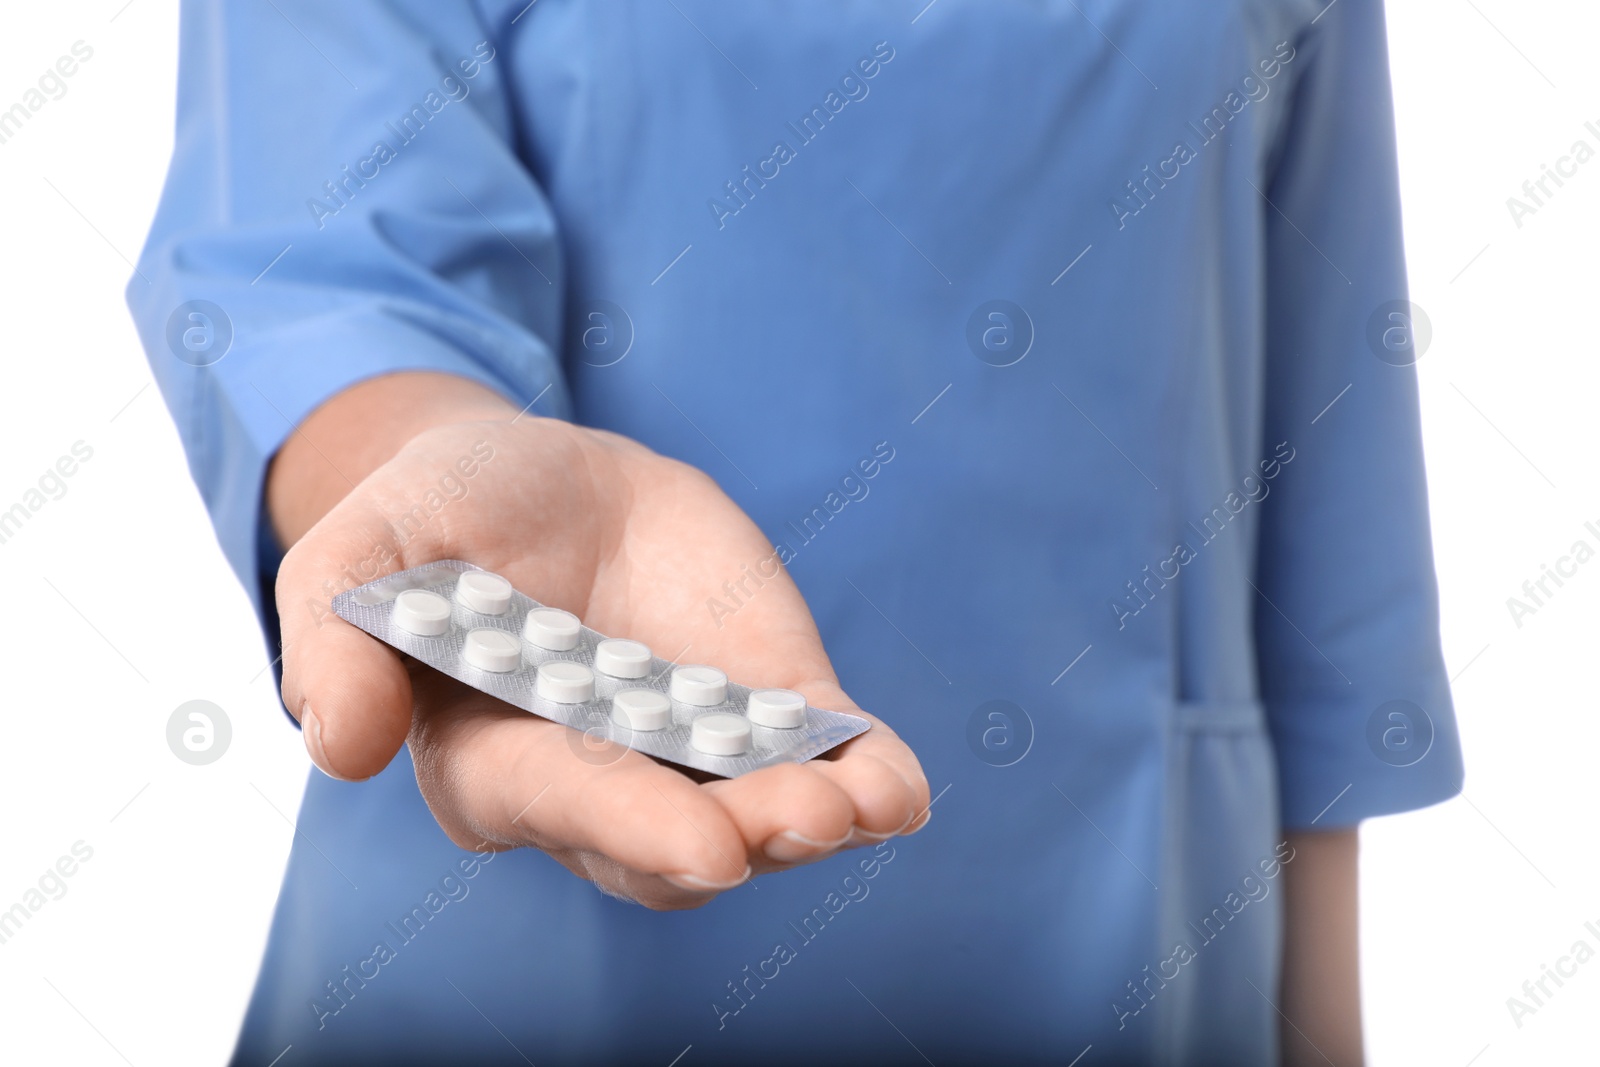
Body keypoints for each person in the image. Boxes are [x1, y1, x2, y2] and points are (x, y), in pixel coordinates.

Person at [128, 1, 1463, 1063]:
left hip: (1136, 958)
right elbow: (320, 263)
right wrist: (426, 478)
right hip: (504, 964)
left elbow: (1327, 486)